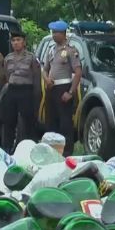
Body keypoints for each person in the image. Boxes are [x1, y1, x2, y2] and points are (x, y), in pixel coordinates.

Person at [43, 20, 82, 156]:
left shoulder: (71, 50)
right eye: (53, 33)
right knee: (50, 122)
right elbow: (45, 69)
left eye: (56, 33)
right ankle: (51, 152)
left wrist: (70, 92)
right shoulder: (51, 50)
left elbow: (78, 72)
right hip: (51, 88)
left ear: (63, 33)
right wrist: (46, 79)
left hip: (64, 88)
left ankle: (66, 152)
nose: (54, 35)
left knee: (65, 123)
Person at [1, 30, 41, 153]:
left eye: (18, 40)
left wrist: (37, 96)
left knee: (28, 121)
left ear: (24, 42)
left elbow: (36, 77)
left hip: (26, 91)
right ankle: (7, 149)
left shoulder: (31, 58)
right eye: (13, 41)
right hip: (12, 90)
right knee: (9, 121)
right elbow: (7, 76)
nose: (16, 43)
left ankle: (29, 148)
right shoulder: (8, 58)